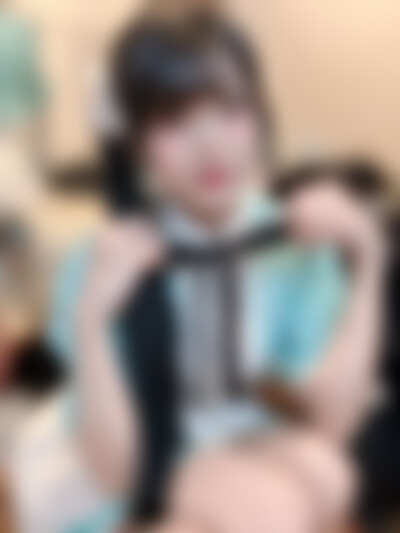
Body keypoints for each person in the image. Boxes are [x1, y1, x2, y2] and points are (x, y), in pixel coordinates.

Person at [49, 14, 384, 533]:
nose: (212, 145)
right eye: (174, 121)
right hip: (152, 466)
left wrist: (369, 258)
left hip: (259, 443)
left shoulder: (293, 238)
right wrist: (91, 316)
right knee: (278, 506)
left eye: (231, 110)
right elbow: (114, 475)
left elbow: (332, 424)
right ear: (136, 143)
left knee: (330, 470)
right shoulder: (101, 260)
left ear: (261, 113)